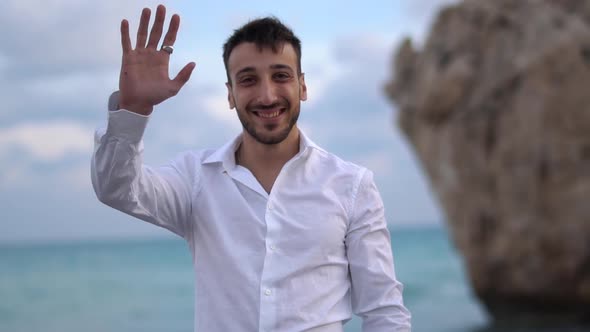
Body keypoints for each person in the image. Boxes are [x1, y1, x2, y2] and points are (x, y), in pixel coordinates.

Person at [91, 4, 411, 332]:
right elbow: (116, 189)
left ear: (302, 86)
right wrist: (133, 111)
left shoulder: (352, 185)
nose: (267, 95)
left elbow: (383, 311)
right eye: (248, 80)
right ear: (230, 94)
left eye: (281, 75)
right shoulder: (195, 178)